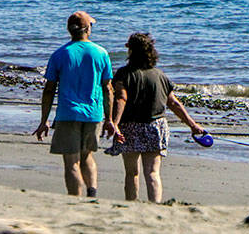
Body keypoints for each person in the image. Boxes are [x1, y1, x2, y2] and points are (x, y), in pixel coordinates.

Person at [107, 32, 206, 203]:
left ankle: (132, 204)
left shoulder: (124, 73)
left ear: (130, 50)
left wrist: (114, 123)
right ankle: (156, 206)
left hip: (130, 127)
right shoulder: (160, 75)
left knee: (132, 173)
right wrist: (193, 125)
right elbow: (174, 104)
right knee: (153, 173)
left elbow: (121, 98)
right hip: (156, 127)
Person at [34, 11, 115, 198]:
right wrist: (110, 119)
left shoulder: (59, 54)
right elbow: (108, 89)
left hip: (67, 113)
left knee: (71, 161)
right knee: (87, 156)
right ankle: (92, 193)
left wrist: (43, 120)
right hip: (94, 114)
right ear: (87, 29)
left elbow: (49, 90)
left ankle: (74, 199)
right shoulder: (101, 53)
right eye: (91, 26)